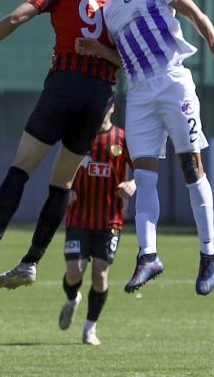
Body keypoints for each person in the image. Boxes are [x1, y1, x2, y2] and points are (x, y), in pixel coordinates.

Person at [0, 0, 121, 290]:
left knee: (20, 168)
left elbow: (17, 17)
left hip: (65, 84)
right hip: (100, 94)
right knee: (62, 184)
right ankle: (31, 262)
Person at [80, 0, 214, 296]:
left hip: (172, 82)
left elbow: (194, 13)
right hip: (138, 94)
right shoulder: (108, 10)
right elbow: (124, 56)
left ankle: (208, 254)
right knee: (143, 175)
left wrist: (213, 45)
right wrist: (96, 50)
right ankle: (148, 256)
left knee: (191, 168)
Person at [58, 101, 134, 346]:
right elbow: (61, 168)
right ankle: (72, 299)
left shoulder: (122, 138)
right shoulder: (79, 135)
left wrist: (133, 185)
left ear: (111, 107)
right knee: (74, 272)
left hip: (109, 219)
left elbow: (144, 170)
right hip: (79, 216)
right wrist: (65, 190)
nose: (100, 110)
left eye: (105, 105)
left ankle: (90, 328)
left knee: (100, 276)